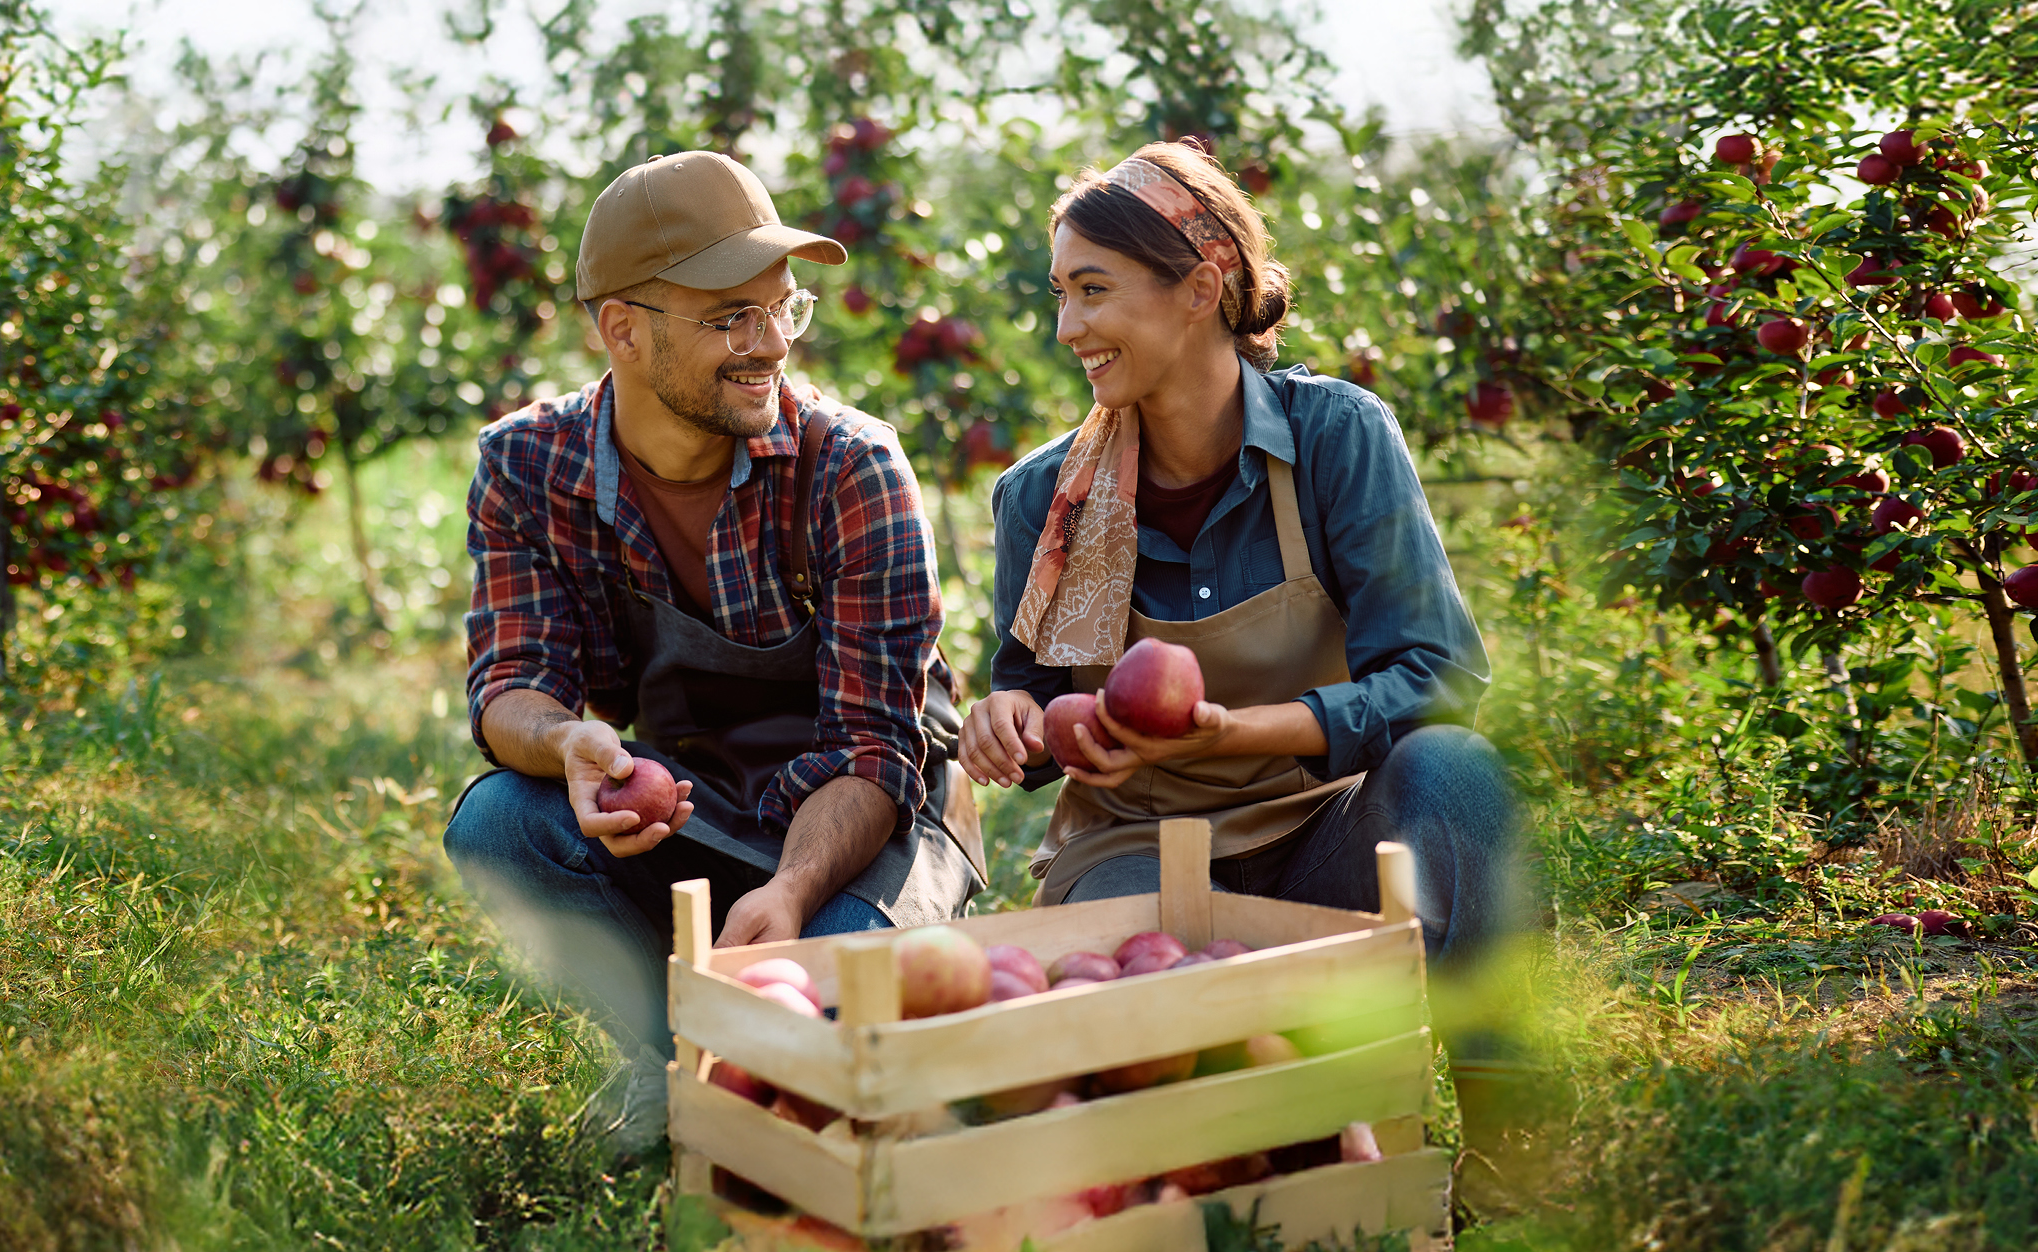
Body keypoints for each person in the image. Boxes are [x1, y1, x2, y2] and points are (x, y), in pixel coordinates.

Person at [445, 151, 982, 1154]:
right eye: (731, 316)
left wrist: (788, 890)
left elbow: (876, 753)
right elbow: (509, 683)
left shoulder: (850, 468)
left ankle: (764, 1064)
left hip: (871, 820)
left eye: (784, 309)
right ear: (623, 330)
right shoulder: (527, 468)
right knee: (498, 825)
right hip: (703, 802)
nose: (770, 344)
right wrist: (566, 742)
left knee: (828, 1030)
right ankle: (672, 1062)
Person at [961, 140, 1514, 967]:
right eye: (1060, 294)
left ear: (1198, 289)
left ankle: (1501, 1086)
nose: (1066, 326)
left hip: (1320, 830)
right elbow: (1034, 700)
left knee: (1454, 766)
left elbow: (1436, 678)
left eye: (1091, 290)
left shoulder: (1334, 437)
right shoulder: (1043, 499)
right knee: (1141, 1015)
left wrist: (1235, 732)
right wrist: (1007, 721)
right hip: (1132, 848)